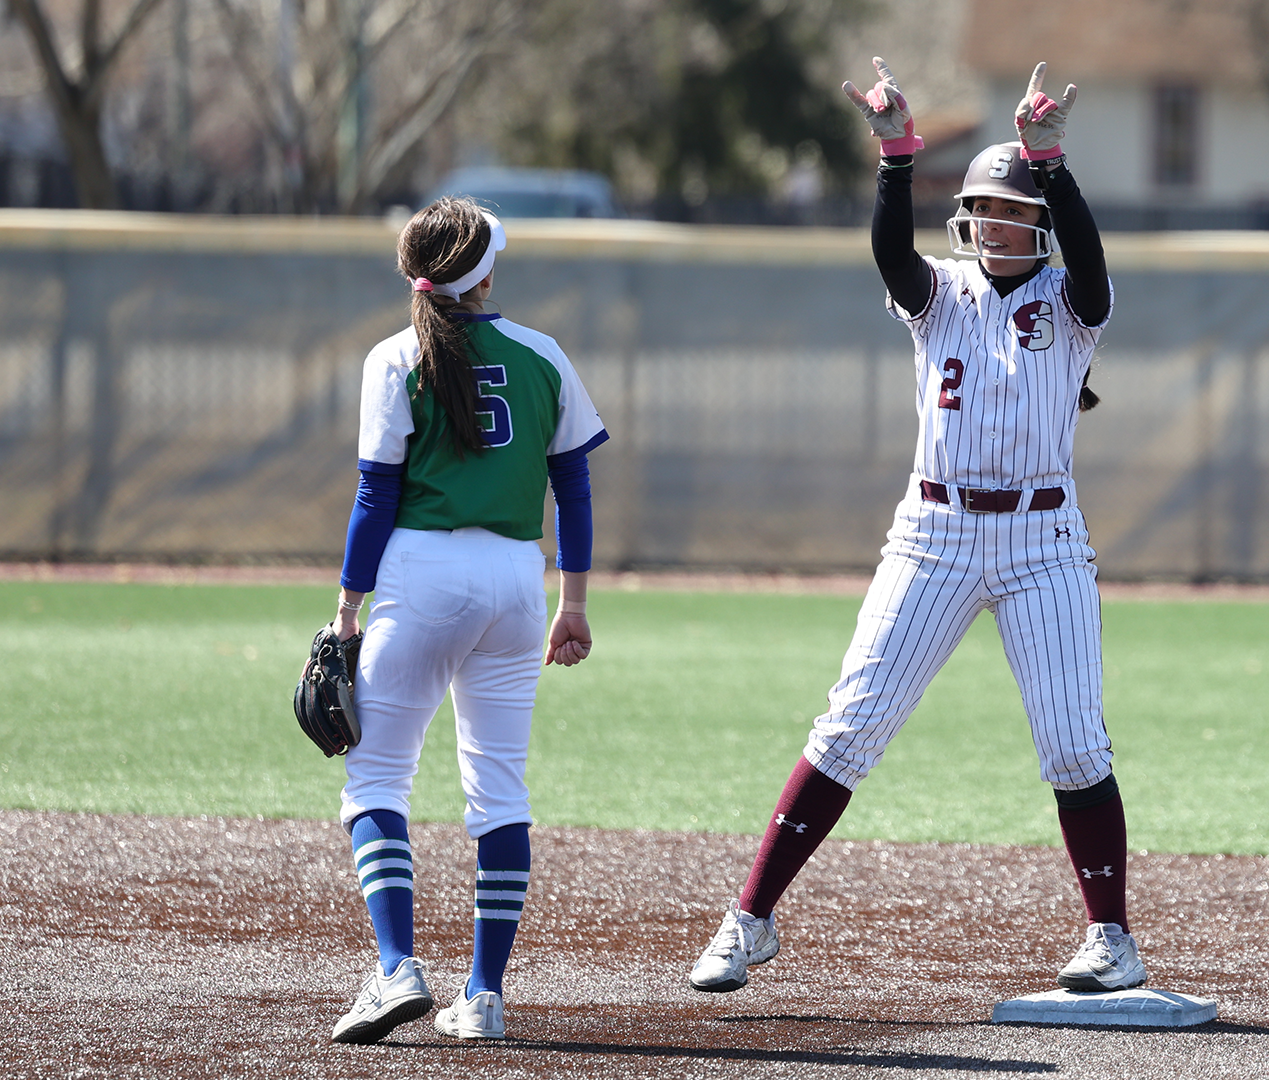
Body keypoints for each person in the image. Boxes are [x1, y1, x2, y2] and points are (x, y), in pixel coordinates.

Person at [687, 58, 1142, 996]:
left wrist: (1051, 163)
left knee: (1072, 743)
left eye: (1013, 211)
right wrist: (896, 151)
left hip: (1040, 539)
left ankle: (1111, 939)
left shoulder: (1070, 304)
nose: (994, 222)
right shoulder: (938, 291)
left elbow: (1093, 268)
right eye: (984, 209)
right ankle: (750, 918)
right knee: (850, 726)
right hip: (931, 533)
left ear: (1040, 223)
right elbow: (892, 254)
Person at [327, 196, 608, 1044]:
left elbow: (376, 495)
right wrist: (576, 602)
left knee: (376, 778)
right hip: (517, 580)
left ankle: (395, 969)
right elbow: (576, 487)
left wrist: (347, 606)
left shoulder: (393, 356)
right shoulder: (541, 353)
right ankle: (483, 995)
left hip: (421, 571)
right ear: (487, 273)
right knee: (499, 786)